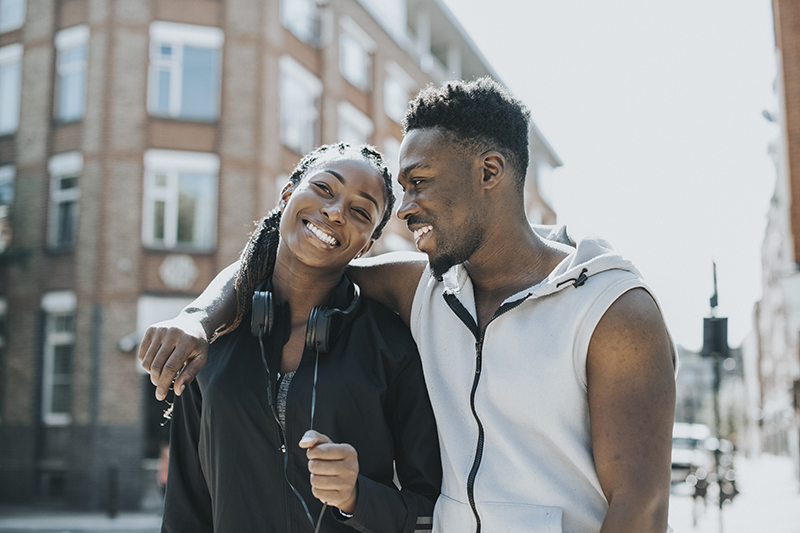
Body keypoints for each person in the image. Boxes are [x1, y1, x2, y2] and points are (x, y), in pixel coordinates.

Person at [140, 78, 676, 533]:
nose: (406, 209)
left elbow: (642, 505)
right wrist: (199, 318)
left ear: (489, 172)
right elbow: (293, 264)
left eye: (418, 184)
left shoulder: (612, 309)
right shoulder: (425, 287)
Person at [153, 143, 441, 533]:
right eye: (324, 189)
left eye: (360, 211)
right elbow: (184, 511)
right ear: (287, 195)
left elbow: (430, 512)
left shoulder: (391, 347)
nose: (336, 211)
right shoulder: (212, 342)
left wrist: (358, 498)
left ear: (368, 244)